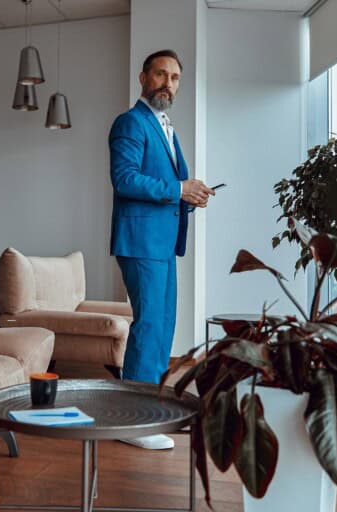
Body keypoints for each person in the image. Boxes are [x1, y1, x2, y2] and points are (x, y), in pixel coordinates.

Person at [108, 49, 214, 450]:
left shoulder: (166, 126)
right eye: (160, 75)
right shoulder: (130, 123)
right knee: (150, 325)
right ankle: (132, 421)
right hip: (140, 241)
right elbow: (125, 180)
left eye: (174, 77)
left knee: (163, 325)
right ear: (143, 77)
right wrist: (177, 189)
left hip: (162, 242)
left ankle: (147, 412)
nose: (168, 83)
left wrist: (190, 194)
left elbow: (169, 183)